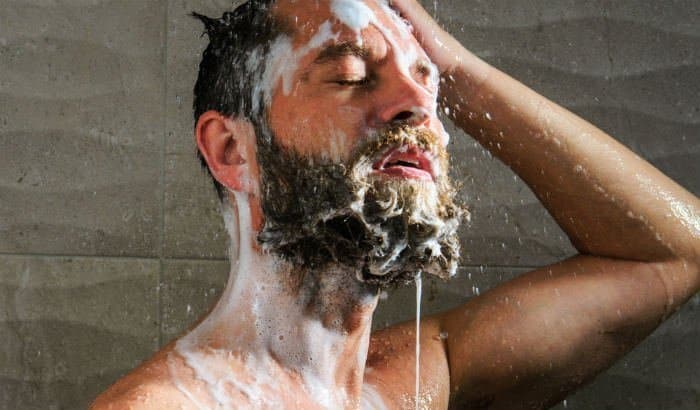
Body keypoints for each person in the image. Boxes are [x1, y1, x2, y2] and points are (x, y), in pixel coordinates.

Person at [91, 0, 699, 408]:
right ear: (233, 150)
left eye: (427, 81)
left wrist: (457, 73)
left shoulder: (413, 382)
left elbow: (672, 255)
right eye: (352, 74)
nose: (420, 104)